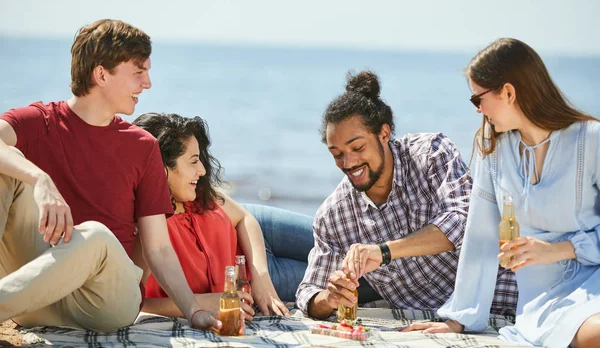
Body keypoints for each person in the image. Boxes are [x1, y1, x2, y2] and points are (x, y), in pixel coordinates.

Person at [0, 19, 220, 332]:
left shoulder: (142, 146)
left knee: (96, 236)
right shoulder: (40, 121)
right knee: (7, 165)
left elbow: (158, 248)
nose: (147, 84)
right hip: (35, 297)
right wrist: (40, 180)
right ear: (102, 74)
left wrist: (193, 310)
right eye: (138, 72)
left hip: (103, 302)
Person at [404, 38, 600, 348]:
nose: (478, 109)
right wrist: (459, 319)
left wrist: (560, 249)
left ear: (508, 92)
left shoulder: (591, 139)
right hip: (544, 302)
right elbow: (480, 236)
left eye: (477, 99)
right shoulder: (493, 149)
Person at [296, 70, 518, 320]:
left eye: (357, 147)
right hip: (440, 320)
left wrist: (383, 252)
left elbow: (465, 219)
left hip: (508, 297)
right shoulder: (334, 215)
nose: (348, 162)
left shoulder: (431, 154)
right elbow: (307, 293)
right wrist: (330, 298)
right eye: (337, 154)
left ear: (384, 133)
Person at [132, 112, 315, 316]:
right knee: (348, 281)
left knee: (343, 241)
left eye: (200, 159)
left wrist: (261, 277)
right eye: (193, 161)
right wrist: (203, 303)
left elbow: (244, 218)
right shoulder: (148, 228)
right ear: (161, 168)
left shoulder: (195, 193)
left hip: (258, 241)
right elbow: (136, 303)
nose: (202, 170)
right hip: (251, 283)